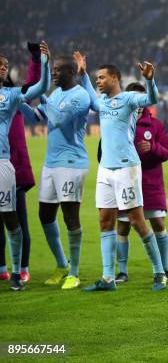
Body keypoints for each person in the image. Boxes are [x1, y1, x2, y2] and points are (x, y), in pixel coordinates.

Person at [73, 51, 167, 291]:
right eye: (97, 79)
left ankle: (159, 273)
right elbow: (91, 95)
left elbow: (152, 100)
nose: (98, 81)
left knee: (137, 221)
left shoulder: (129, 99)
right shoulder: (102, 102)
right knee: (105, 220)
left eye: (102, 78)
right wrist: (83, 75)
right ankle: (107, 278)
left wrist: (149, 80)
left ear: (115, 78)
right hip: (106, 168)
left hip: (127, 167)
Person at [35, 53, 90, 290]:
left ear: (70, 72)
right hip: (50, 163)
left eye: (57, 70)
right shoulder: (56, 94)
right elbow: (39, 116)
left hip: (71, 163)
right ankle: (61, 264)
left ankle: (75, 273)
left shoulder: (81, 95)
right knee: (45, 215)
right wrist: (18, 105)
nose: (53, 74)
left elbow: (57, 119)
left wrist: (39, 95)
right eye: (53, 70)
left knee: (70, 217)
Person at [114, 82, 168, 284]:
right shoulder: (118, 123)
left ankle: (165, 269)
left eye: (141, 98)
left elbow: (166, 152)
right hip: (126, 181)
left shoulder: (156, 125)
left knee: (158, 223)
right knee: (123, 227)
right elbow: (103, 152)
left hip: (150, 182)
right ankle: (122, 272)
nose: (138, 104)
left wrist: (152, 147)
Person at [0, 41, 51, 290]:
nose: (3, 67)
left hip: (6, 165)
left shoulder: (11, 98)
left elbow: (36, 87)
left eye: (5, 66)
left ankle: (20, 271)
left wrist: (40, 63)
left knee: (13, 220)